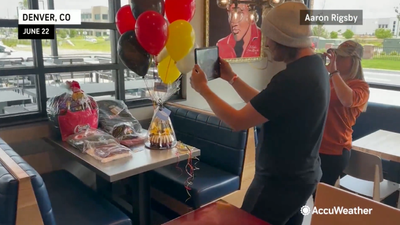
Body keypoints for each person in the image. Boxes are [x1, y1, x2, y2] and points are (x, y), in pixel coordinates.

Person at [190, 2, 329, 225]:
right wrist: (232, 78)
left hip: (278, 184)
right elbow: (266, 102)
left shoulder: (293, 79)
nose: (267, 45)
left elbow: (238, 121)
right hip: (303, 177)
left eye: (271, 39)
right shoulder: (315, 67)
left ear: (286, 39)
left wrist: (203, 89)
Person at [317, 41, 370, 188]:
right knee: (306, 195)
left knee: (321, 196)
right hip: (314, 146)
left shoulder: (361, 87)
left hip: (334, 150)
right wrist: (320, 70)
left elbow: (347, 100)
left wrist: (333, 72)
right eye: (336, 55)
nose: (336, 59)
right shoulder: (329, 80)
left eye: (341, 57)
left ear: (353, 61)